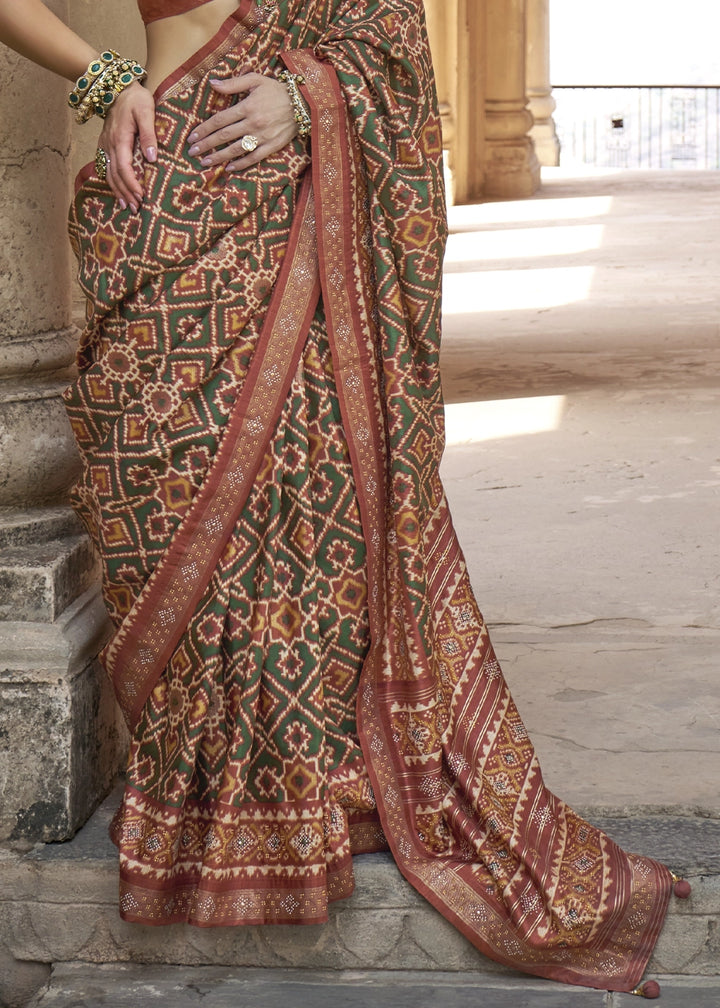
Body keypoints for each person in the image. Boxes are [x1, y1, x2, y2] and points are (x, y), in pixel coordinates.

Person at [0, 0, 687, 998]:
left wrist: (306, 94)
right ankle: (202, 801)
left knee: (299, 501)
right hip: (164, 190)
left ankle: (303, 798)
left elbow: (389, 41)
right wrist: (104, 77)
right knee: (156, 496)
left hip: (287, 202)